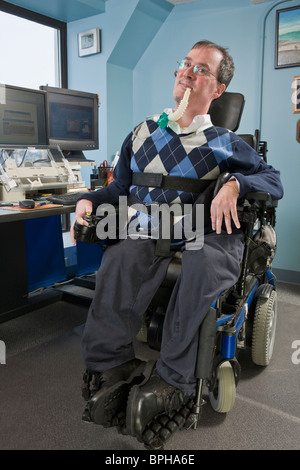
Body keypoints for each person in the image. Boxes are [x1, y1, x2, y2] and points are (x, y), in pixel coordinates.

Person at [71, 40, 283, 443]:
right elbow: (118, 190)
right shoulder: (142, 133)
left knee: (202, 265)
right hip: (153, 227)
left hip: (207, 231)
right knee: (119, 255)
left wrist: (236, 183)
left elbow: (274, 181)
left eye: (201, 69)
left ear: (217, 90)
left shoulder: (227, 142)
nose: (187, 72)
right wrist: (87, 200)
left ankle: (175, 381)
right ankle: (110, 365)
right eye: (185, 64)